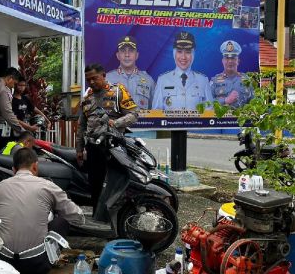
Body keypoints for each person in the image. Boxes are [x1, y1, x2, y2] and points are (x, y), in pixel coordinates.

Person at [0, 148, 84, 274]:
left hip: (3, 263)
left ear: (13, 170)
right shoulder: (49, 186)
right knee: (62, 222)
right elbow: (78, 217)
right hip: (38, 265)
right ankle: (51, 256)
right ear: (35, 166)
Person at [76, 63, 138, 214]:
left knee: (115, 182)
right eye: (88, 79)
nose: (91, 82)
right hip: (93, 148)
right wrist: (79, 149)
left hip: (114, 147)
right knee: (95, 183)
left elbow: (134, 114)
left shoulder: (118, 92)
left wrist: (116, 123)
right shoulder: (87, 98)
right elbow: (81, 125)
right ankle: (98, 215)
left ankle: (118, 214)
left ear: (103, 75)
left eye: (94, 78)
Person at [152, 32, 213, 110]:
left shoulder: (203, 80)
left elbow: (209, 113)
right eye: (179, 52)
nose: (183, 57)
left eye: (188, 52)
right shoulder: (163, 80)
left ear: (193, 54)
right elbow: (156, 114)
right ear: (174, 53)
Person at [106, 35, 155, 109]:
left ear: (137, 55)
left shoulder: (148, 80)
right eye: (123, 51)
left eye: (131, 51)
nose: (127, 55)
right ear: (118, 55)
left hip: (141, 121)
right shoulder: (107, 79)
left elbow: (154, 110)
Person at [210, 40, 254, 108]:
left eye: (233, 58)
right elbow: (208, 103)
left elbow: (253, 103)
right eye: (227, 58)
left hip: (242, 118)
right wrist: (225, 100)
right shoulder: (214, 81)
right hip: (221, 118)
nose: (230, 61)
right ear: (223, 61)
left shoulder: (246, 80)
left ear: (238, 61)